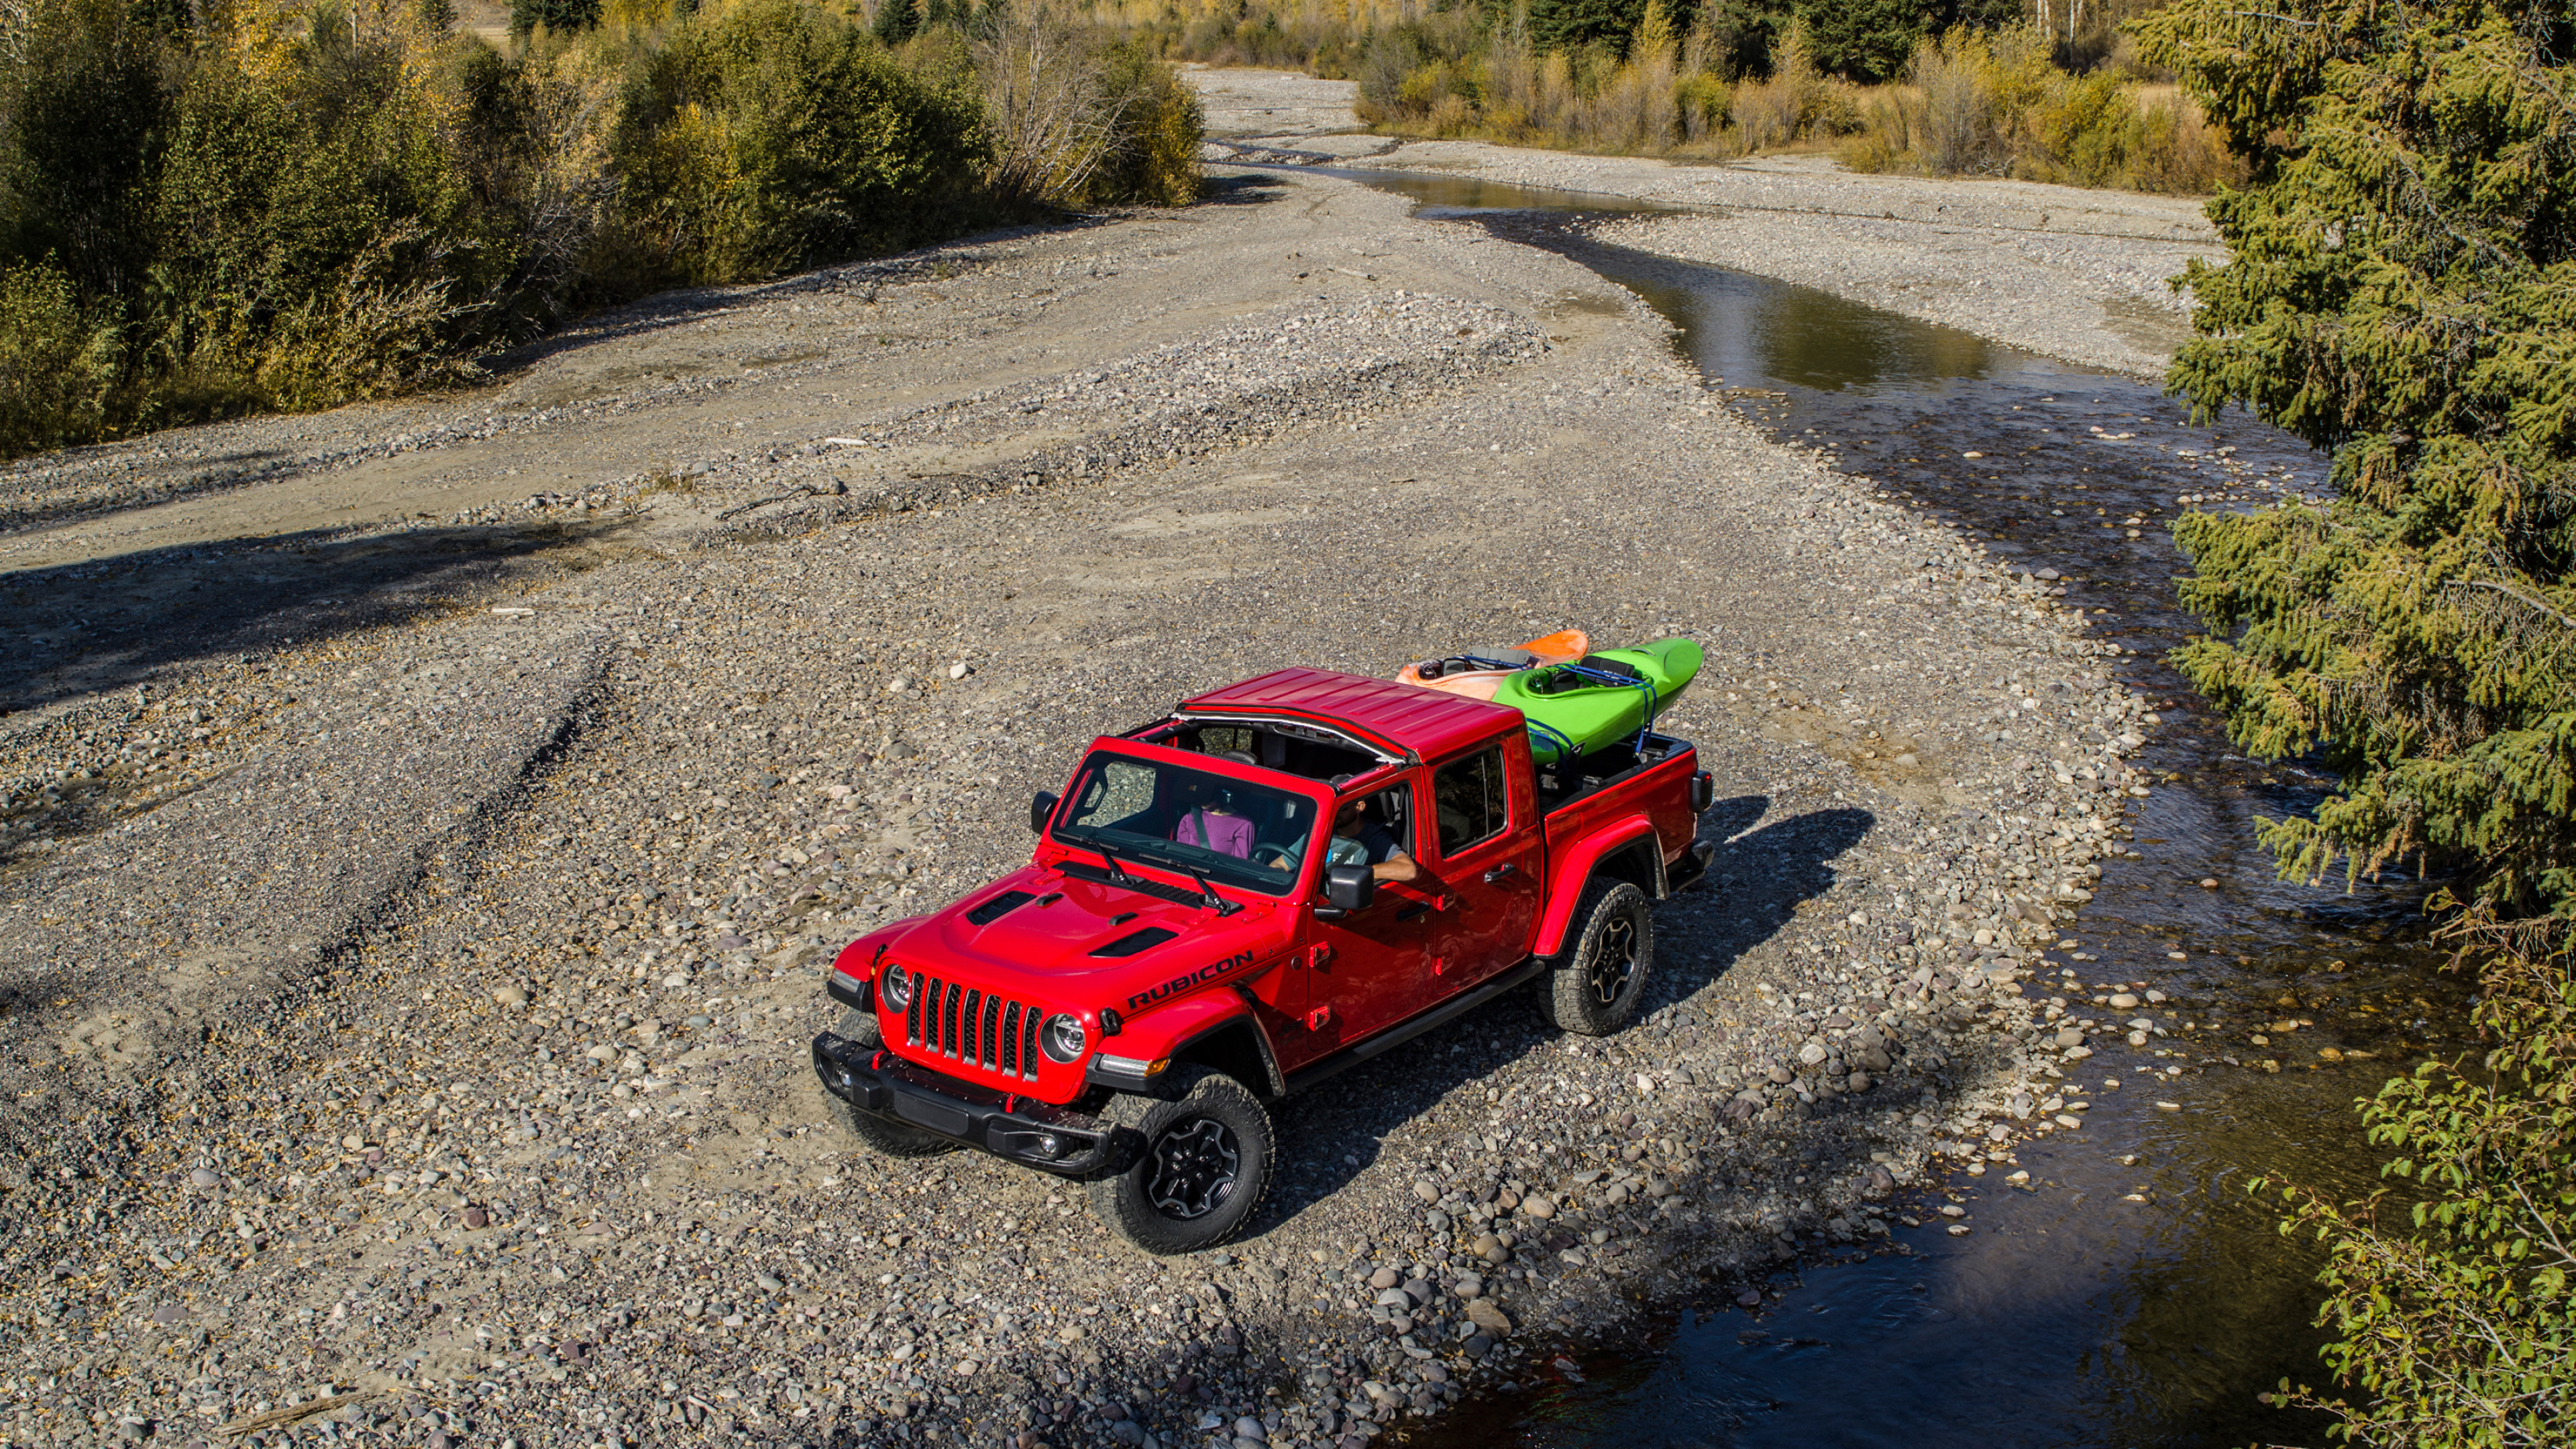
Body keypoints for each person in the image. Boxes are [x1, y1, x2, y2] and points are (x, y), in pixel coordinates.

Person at [1271, 782, 1419, 884]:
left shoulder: (1375, 840)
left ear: (1360, 806)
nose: (1335, 814)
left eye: (1342, 808)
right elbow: (1278, 864)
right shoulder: (1318, 835)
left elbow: (1408, 869)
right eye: (1332, 807)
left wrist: (1361, 874)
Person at [1170, 770, 1254, 859]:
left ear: (1219, 796)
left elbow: (1238, 864)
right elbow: (1180, 856)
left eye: (1206, 801)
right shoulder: (1188, 819)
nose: (1202, 805)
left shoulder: (1244, 824)